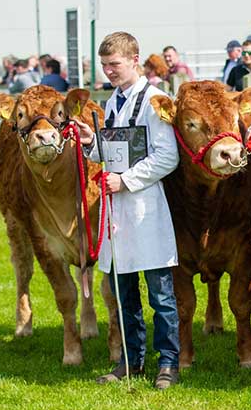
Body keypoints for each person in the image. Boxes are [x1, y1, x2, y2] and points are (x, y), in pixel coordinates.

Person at [73, 31, 181, 390]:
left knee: (160, 294)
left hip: (146, 208)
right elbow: (117, 152)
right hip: (117, 211)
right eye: (104, 65)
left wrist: (127, 181)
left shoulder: (155, 100)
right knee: (124, 293)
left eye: (115, 64)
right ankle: (131, 362)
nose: (109, 71)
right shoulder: (115, 102)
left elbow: (167, 156)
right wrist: (93, 145)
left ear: (134, 60)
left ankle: (167, 363)